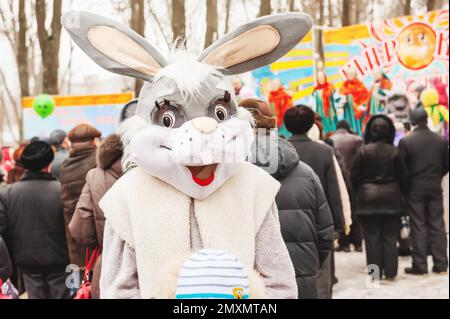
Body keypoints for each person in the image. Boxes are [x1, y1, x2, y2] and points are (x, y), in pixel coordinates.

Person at [62, 10, 312, 299]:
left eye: (219, 113)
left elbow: (279, 281)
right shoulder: (128, 196)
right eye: (168, 119)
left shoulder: (253, 186)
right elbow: (119, 288)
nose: (203, 128)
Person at [240, 98, 334, 299]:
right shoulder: (306, 173)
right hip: (303, 271)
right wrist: (309, 263)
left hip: (250, 282)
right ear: (273, 124)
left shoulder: (230, 176)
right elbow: (325, 232)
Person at [284, 105, 345, 299]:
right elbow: (333, 188)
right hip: (320, 216)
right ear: (312, 124)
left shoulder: (282, 151)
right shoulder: (324, 151)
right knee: (322, 273)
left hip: (287, 216)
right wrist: (338, 222)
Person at [0, 141, 70, 299]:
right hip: (61, 262)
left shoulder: (8, 193)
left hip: (27, 264)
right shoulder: (62, 191)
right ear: (48, 165)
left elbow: (3, 232)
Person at [351, 115, 406, 280]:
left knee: (371, 239)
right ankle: (390, 272)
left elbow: (354, 177)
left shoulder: (363, 151)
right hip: (391, 198)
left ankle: (374, 274)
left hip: (368, 199)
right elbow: (404, 176)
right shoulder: (394, 151)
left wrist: (360, 192)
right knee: (390, 237)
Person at [69, 135, 124, 299]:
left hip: (109, 265)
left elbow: (78, 229)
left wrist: (101, 242)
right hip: (150, 270)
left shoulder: (94, 176)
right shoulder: (150, 170)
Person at [398, 108, 449, 275]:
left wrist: (408, 185)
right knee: (437, 225)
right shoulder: (440, 140)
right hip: (434, 186)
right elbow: (446, 165)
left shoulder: (406, 141)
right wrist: (436, 177)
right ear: (426, 119)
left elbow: (402, 170)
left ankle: (419, 265)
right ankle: (441, 264)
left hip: (415, 188)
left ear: (412, 121)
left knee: (418, 225)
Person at [59, 124, 101, 270]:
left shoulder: (64, 167)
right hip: (99, 234)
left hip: (75, 235)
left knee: (82, 284)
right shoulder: (99, 162)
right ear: (94, 141)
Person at [330, 120, 364, 252]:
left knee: (342, 209)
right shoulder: (357, 140)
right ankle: (358, 242)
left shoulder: (331, 140)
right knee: (355, 210)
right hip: (354, 180)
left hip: (339, 179)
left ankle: (344, 242)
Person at [338, 69, 370, 136]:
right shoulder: (345, 85)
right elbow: (339, 95)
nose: (350, 76)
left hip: (357, 109)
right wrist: (342, 100)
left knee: (358, 125)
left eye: (352, 74)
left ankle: (359, 136)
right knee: (349, 123)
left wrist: (362, 105)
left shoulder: (360, 84)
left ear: (355, 75)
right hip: (348, 109)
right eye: (349, 74)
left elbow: (366, 96)